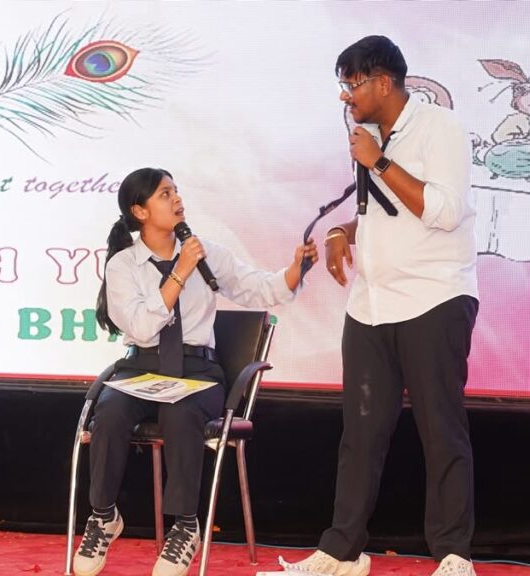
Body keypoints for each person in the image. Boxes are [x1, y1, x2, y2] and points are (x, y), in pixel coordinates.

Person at [284, 36, 480, 576]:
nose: (345, 96)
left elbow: (443, 211)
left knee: (442, 432)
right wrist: (343, 232)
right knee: (361, 435)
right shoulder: (372, 138)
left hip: (434, 297)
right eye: (343, 85)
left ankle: (454, 555)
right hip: (370, 305)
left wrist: (379, 160)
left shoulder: (441, 128)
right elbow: (386, 211)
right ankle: (342, 552)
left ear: (384, 82)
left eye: (352, 84)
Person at [73, 167, 317, 576]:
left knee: (181, 411)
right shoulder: (123, 265)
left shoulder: (205, 253)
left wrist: (296, 270)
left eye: (176, 191)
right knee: (110, 411)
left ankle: (185, 526)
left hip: (197, 371)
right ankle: (103, 517)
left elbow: (259, 288)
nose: (177, 199)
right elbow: (143, 328)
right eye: (164, 194)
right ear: (140, 211)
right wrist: (180, 271)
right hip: (141, 366)